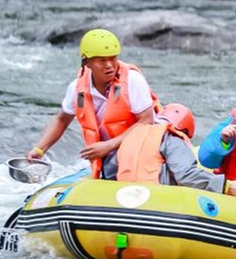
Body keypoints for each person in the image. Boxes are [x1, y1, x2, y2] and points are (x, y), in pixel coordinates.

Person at [27, 29, 158, 179]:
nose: (109, 65)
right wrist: (39, 149)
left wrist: (108, 146)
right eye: (101, 60)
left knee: (114, 164)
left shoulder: (132, 80)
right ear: (86, 63)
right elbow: (62, 120)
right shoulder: (77, 89)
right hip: (108, 155)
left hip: (140, 149)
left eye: (113, 58)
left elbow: (147, 120)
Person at [102, 104, 236, 197]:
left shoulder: (132, 135)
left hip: (124, 198)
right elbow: (185, 175)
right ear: (184, 129)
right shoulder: (172, 137)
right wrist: (225, 185)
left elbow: (109, 171)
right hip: (156, 199)